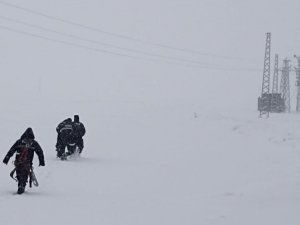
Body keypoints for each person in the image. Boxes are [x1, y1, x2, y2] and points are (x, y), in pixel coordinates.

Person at [2, 128, 45, 194]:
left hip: (22, 162)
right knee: (22, 174)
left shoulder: (21, 142)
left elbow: (12, 150)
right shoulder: (32, 143)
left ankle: (21, 186)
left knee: (21, 173)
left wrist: (6, 159)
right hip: (23, 163)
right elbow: (40, 152)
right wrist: (41, 161)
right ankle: (21, 185)